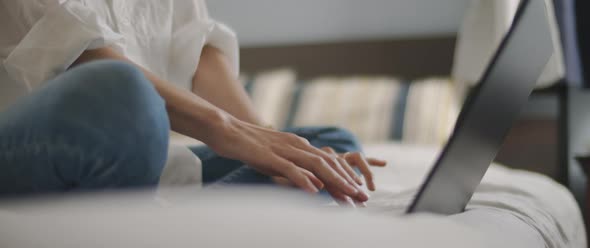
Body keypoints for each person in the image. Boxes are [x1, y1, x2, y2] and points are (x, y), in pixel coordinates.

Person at [0, 0, 385, 206]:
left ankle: (176, 220)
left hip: (146, 162)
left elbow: (197, 46)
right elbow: (79, 54)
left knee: (326, 141)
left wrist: (273, 145)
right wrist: (231, 132)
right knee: (124, 91)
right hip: (33, 151)